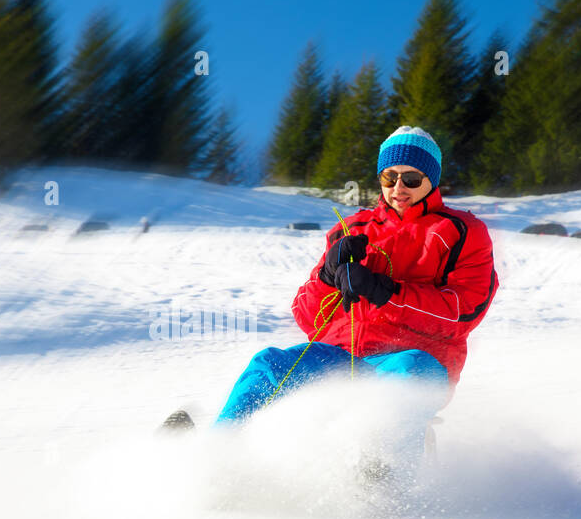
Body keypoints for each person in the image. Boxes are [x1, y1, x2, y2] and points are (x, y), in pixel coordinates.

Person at [161, 126, 498, 431]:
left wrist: (386, 292)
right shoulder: (352, 228)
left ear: (431, 180)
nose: (398, 188)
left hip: (418, 358)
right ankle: (218, 451)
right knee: (270, 364)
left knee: (405, 376)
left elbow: (463, 312)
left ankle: (381, 475)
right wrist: (327, 276)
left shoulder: (462, 231)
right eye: (388, 177)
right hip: (340, 357)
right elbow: (307, 317)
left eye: (411, 178)